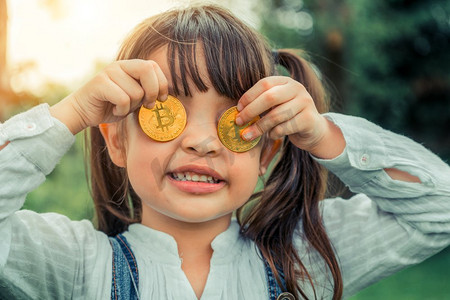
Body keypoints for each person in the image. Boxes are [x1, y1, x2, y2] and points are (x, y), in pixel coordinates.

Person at [0, 4, 449, 300]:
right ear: (116, 139)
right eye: (167, 110)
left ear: (267, 153)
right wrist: (70, 113)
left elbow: (440, 209)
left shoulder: (307, 258)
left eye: (234, 118)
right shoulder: (74, 265)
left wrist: (323, 135)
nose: (202, 141)